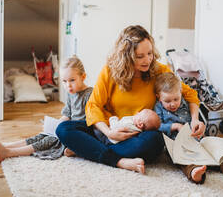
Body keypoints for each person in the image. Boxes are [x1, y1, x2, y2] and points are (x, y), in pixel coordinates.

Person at [56, 25, 205, 174]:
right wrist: (109, 132)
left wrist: (195, 119)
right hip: (108, 130)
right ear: (126, 56)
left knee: (156, 140)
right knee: (63, 129)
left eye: (150, 53)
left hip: (137, 136)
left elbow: (189, 94)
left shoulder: (160, 70)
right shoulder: (109, 71)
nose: (147, 60)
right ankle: (119, 161)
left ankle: (89, 150)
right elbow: (93, 106)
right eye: (140, 56)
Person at [0, 56, 93, 162]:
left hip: (79, 132)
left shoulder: (89, 94)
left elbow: (91, 121)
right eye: (64, 81)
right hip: (68, 128)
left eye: (72, 80)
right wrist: (55, 125)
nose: (68, 85)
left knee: (50, 139)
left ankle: (8, 153)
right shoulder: (71, 93)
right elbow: (67, 115)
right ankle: (7, 146)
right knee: (44, 135)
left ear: (83, 77)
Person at [154, 72, 223, 184]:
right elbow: (157, 126)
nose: (172, 104)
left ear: (181, 93)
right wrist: (175, 126)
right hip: (176, 143)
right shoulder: (158, 108)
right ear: (159, 97)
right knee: (184, 159)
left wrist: (197, 125)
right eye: (167, 101)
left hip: (196, 139)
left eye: (176, 99)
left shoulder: (186, 103)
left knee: (214, 151)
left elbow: (195, 121)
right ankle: (194, 172)